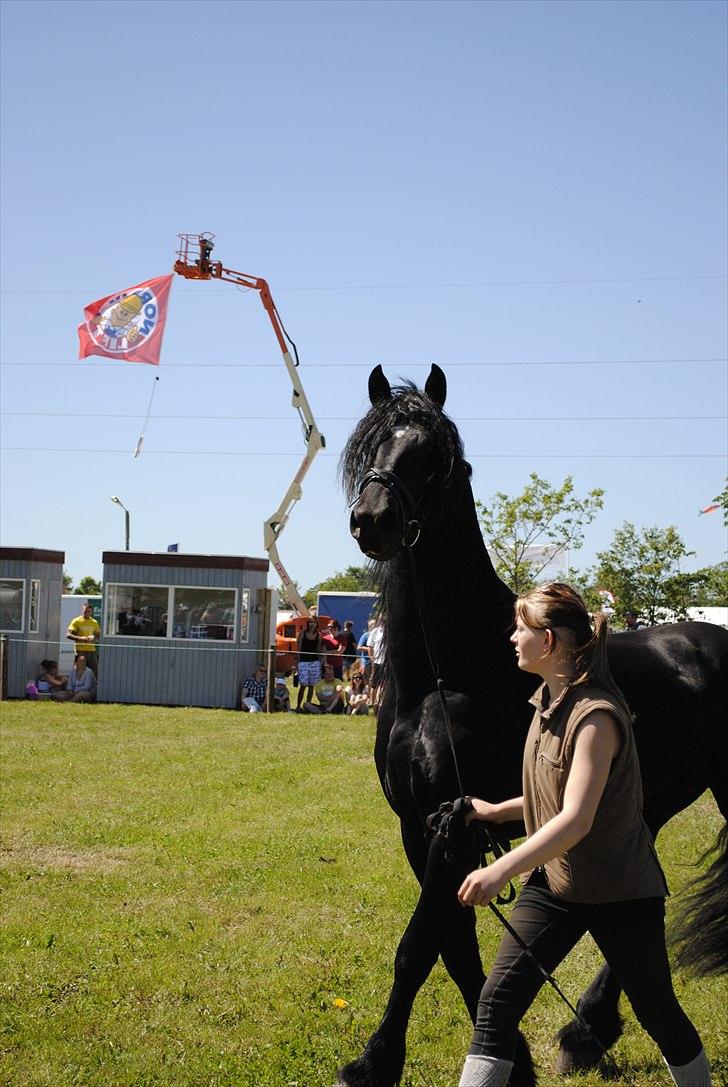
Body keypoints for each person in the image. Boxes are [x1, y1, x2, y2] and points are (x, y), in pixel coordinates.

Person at [455, 583, 711, 1087]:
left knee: (657, 1013)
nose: (512, 638)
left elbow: (576, 818)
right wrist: (497, 811)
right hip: (556, 886)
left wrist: (500, 868)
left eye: (521, 629)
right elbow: (557, 794)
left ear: (547, 642)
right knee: (497, 1004)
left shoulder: (594, 716)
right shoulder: (547, 702)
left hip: (621, 892)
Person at [295, 617, 323, 712]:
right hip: (303, 661)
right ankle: (298, 706)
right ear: (308, 623)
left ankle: (308, 706)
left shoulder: (319, 635)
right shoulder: (302, 633)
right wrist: (297, 663)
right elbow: (298, 648)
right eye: (310, 622)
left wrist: (320, 642)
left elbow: (318, 650)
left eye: (314, 622)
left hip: (314, 662)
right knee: (303, 685)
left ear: (316, 624)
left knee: (311, 686)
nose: (312, 624)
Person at [66, 601, 100, 676]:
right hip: (80, 650)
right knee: (79, 670)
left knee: (94, 672)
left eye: (89, 611)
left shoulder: (94, 622)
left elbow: (98, 635)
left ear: (91, 612)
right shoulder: (76, 621)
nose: (87, 613)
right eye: (85, 611)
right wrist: (80, 638)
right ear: (82, 611)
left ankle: (93, 686)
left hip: (92, 650)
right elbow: (68, 635)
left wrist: (95, 638)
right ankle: (75, 686)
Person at [367, 618, 385, 709]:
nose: (382, 621)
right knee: (374, 684)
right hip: (377, 662)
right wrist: (372, 658)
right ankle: (372, 702)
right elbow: (370, 646)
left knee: (383, 684)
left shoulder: (389, 631)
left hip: (386, 662)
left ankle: (379, 703)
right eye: (381, 619)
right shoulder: (375, 632)